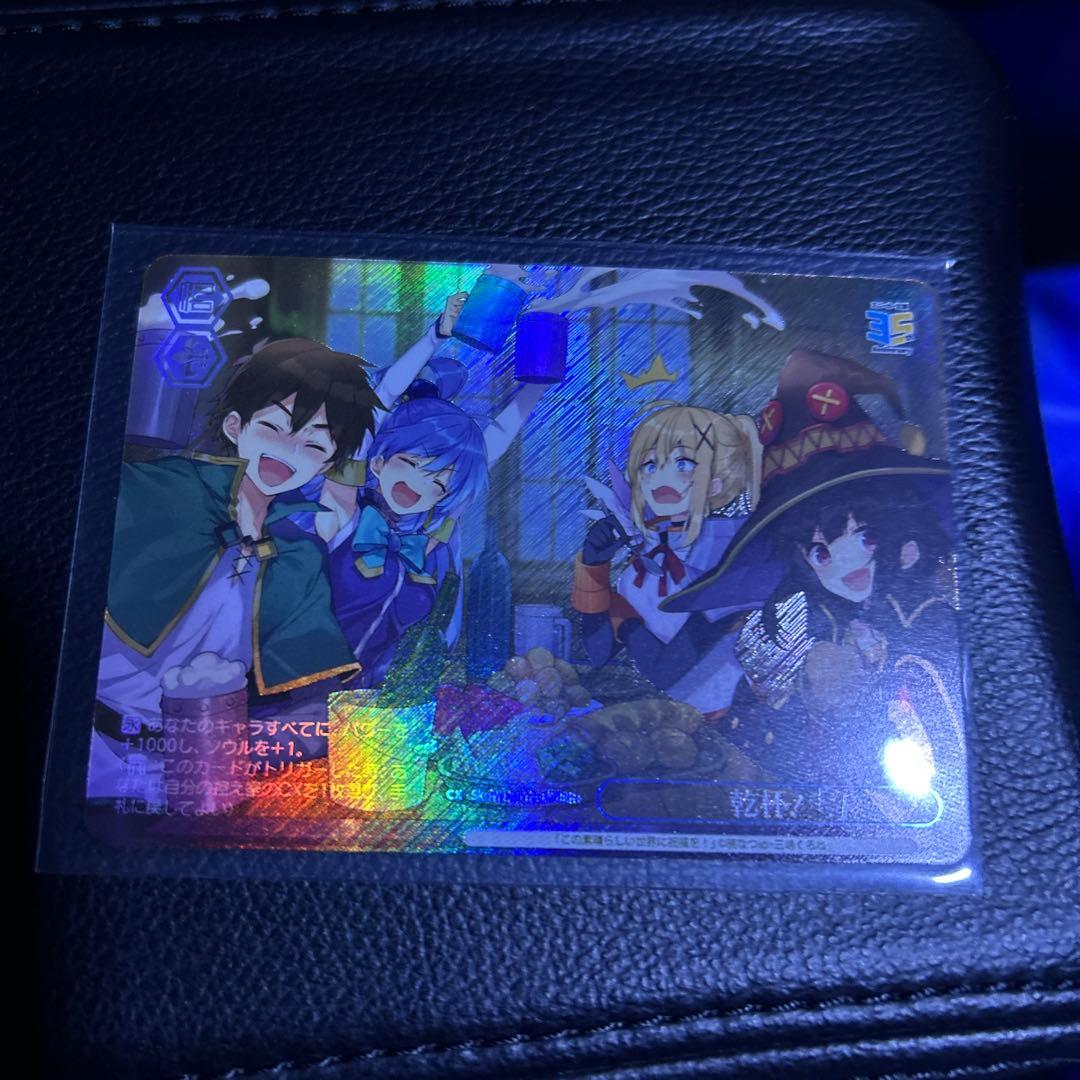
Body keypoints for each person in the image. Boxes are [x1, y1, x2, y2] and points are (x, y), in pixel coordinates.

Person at [662, 349, 965, 800]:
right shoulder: (807, 624)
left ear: (905, 536)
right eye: (822, 552)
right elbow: (767, 743)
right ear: (801, 558)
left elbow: (945, 746)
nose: (847, 564)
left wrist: (853, 699)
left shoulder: (928, 620)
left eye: (866, 538)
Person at [91, 338, 381, 797]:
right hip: (94, 747)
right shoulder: (163, 489)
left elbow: (309, 683)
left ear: (329, 463)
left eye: (313, 444)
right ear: (235, 424)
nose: (288, 450)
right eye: (273, 427)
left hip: (208, 767)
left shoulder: (299, 555)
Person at [572, 404, 770, 718]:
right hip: (665, 721)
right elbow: (599, 653)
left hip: (728, 720)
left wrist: (625, 622)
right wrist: (595, 566)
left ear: (716, 483)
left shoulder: (724, 556)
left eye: (683, 463)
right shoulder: (644, 562)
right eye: (651, 464)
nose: (662, 477)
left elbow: (669, 670)